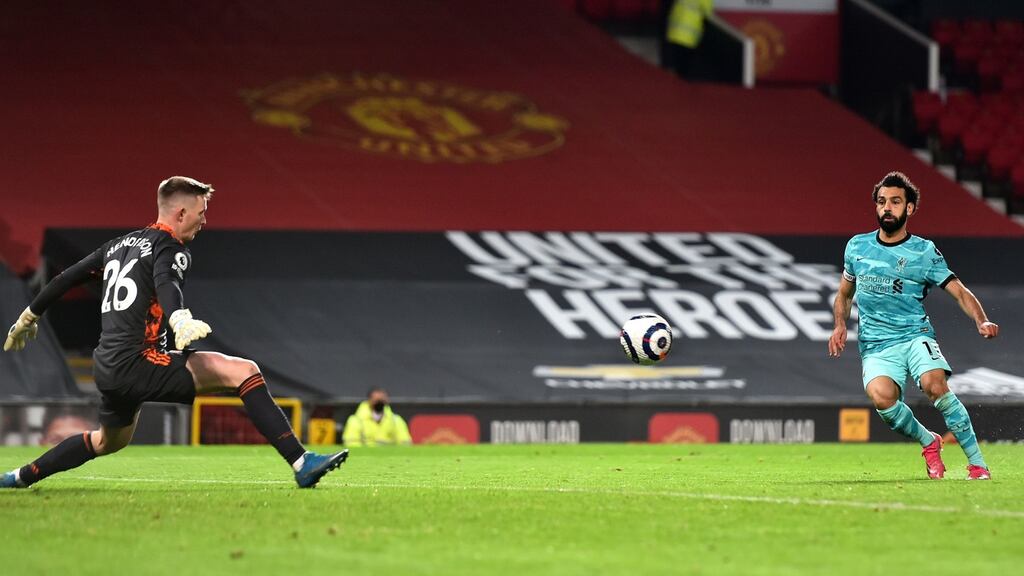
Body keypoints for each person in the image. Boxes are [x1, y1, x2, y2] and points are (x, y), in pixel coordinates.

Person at [2, 176, 347, 489]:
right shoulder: (168, 246)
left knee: (107, 442)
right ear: (181, 213)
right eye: (201, 212)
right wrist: (179, 318)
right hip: (139, 361)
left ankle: (19, 477)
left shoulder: (118, 246)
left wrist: (28, 317)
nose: (204, 220)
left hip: (107, 366)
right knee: (244, 372)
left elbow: (65, 278)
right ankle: (301, 462)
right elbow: (166, 282)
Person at [828, 171, 997, 480]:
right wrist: (840, 325)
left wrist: (981, 318)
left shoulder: (923, 252)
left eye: (895, 202)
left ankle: (977, 464)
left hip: (914, 335)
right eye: (881, 202)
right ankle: (928, 440)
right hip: (876, 343)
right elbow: (844, 294)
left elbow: (958, 290)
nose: (886, 208)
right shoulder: (857, 247)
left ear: (909, 209)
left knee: (935, 385)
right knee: (882, 398)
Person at [660, 0, 714, 79]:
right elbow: (707, 16)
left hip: (674, 33)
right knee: (683, 70)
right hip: (689, 38)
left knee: (671, 65)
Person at [342, 387, 412, 447]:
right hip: (365, 457)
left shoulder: (396, 420)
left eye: (382, 400)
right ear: (369, 400)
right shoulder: (355, 420)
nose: (379, 403)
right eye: (376, 400)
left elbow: (404, 443)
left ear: (387, 401)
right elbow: (351, 443)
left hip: (389, 456)